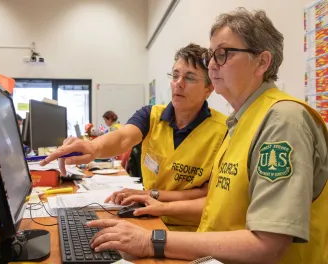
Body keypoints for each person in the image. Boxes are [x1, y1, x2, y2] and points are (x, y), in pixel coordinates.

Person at [73, 8, 327, 263]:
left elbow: (266, 245)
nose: (213, 64)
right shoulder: (241, 122)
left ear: (261, 62)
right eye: (211, 56)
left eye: (223, 54)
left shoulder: (282, 121)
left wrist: (151, 241)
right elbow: (217, 205)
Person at [41, 43, 228, 231]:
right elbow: (123, 137)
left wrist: (152, 195)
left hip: (190, 229)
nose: (179, 83)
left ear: (209, 88)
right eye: (175, 75)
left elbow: (210, 195)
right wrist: (94, 147)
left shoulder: (224, 131)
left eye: (190, 77)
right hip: (147, 216)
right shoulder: (151, 115)